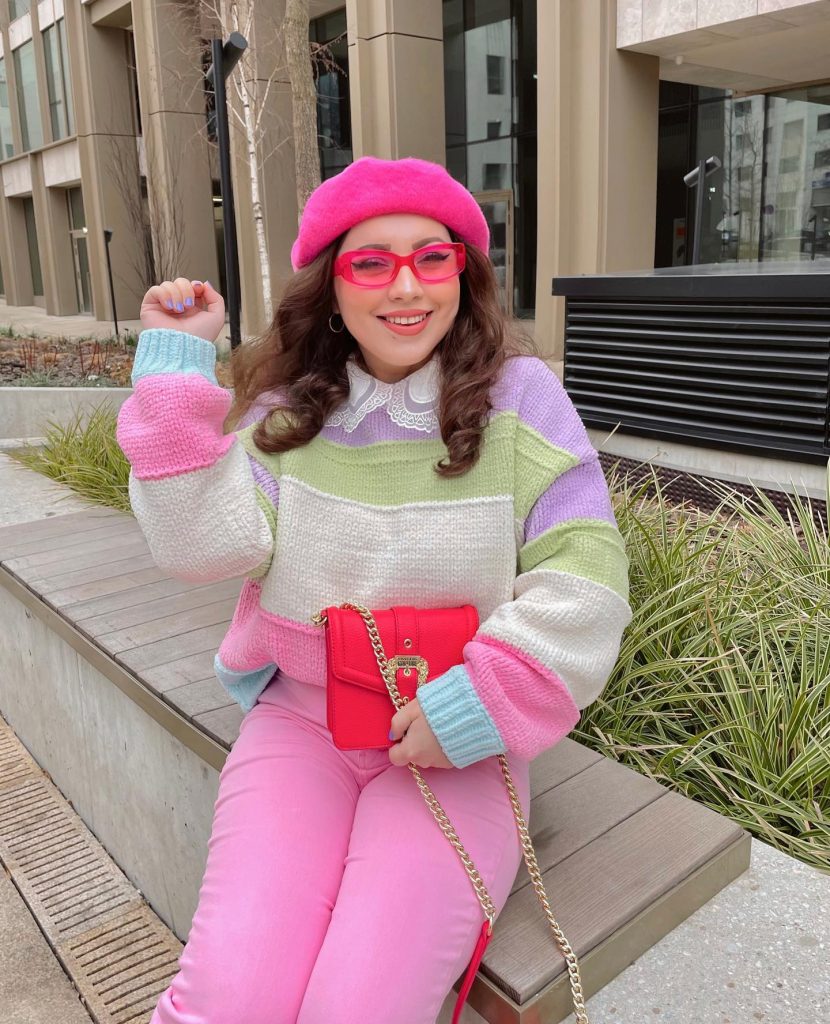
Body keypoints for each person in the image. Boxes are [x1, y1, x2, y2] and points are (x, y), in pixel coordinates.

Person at [116, 156, 632, 1024]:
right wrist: (176, 361)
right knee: (228, 997)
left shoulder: (520, 398)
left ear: (463, 275)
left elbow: (587, 564)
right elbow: (201, 547)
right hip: (301, 720)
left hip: (458, 733)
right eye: (371, 262)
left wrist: (480, 701)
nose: (407, 287)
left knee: (358, 1006)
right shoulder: (291, 409)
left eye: (434, 259)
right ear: (333, 284)